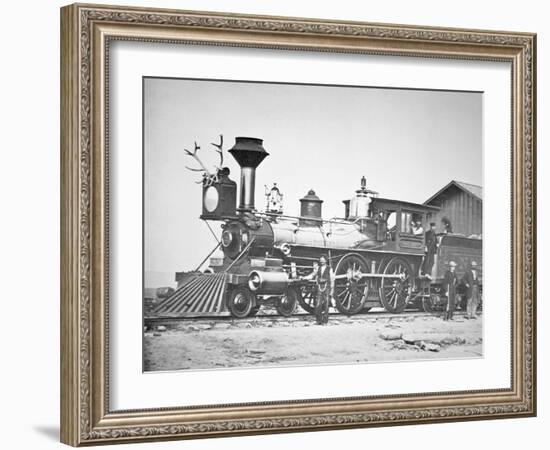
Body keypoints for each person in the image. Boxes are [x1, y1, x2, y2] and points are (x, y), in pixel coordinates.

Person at [306, 255, 334, 325]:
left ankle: (325, 321)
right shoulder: (318, 268)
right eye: (320, 260)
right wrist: (304, 278)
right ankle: (318, 320)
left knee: (326, 305)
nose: (321, 261)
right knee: (318, 304)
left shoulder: (329, 269)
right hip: (319, 287)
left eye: (323, 260)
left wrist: (332, 290)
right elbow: (312, 275)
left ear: (326, 260)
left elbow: (332, 279)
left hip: (326, 287)